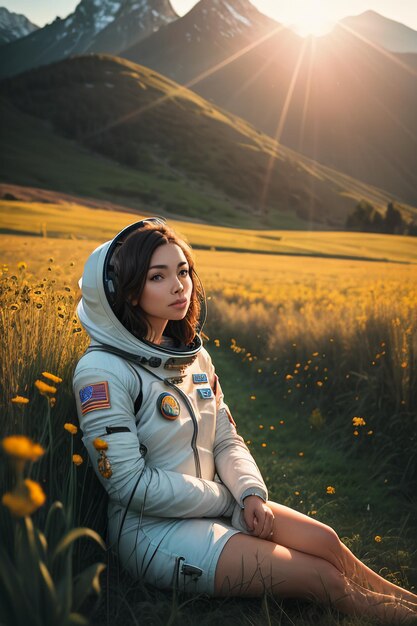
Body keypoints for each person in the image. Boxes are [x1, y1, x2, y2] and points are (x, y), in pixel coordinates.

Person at [73, 218, 417, 623]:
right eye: (158, 276)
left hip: (216, 505)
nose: (179, 285)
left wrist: (250, 493)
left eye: (183, 271)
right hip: (153, 532)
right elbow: (128, 485)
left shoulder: (194, 356)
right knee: (321, 578)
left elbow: (225, 438)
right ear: (126, 291)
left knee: (327, 541)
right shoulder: (102, 371)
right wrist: (226, 499)